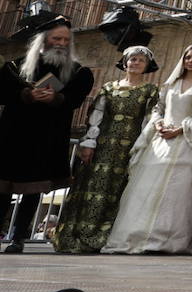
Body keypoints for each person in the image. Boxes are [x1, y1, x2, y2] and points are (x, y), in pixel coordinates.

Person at [103, 44, 192, 254]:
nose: (190, 61)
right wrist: (158, 124)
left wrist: (180, 130)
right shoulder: (171, 83)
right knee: (144, 188)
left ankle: (167, 239)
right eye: (187, 57)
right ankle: (135, 235)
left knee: (177, 192)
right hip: (160, 140)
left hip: (186, 142)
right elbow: (159, 108)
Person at [52, 46, 161, 253]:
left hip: (129, 149)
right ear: (125, 63)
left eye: (140, 60)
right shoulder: (109, 88)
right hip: (102, 147)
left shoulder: (150, 91)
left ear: (147, 66)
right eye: (132, 59)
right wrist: (88, 143)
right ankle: (78, 235)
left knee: (118, 191)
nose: (135, 63)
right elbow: (96, 117)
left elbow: (150, 121)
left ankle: (105, 237)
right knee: (91, 189)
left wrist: (144, 148)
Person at [0, 13, 94, 253]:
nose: (62, 44)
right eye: (57, 39)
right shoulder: (15, 66)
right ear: (43, 40)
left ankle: (19, 237)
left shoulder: (78, 71)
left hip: (47, 137)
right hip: (13, 135)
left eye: (65, 40)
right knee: (2, 189)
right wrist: (26, 95)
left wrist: (57, 98)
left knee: (33, 190)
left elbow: (76, 98)